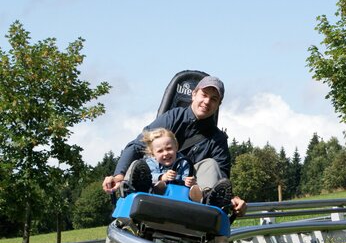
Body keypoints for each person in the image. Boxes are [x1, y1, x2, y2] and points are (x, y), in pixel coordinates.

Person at [103, 75, 247, 217]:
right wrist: (119, 175)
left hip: (190, 189)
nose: (207, 101)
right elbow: (136, 146)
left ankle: (210, 202)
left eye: (214, 99)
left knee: (211, 164)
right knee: (138, 164)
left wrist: (232, 198)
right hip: (156, 179)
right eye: (204, 95)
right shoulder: (173, 117)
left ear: (218, 105)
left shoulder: (217, 139)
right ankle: (135, 194)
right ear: (194, 95)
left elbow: (221, 175)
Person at [141, 127, 202, 202]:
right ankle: (158, 191)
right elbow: (150, 176)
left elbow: (186, 176)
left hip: (179, 192)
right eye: (160, 151)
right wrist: (162, 177)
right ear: (153, 154)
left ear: (176, 147)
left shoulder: (184, 162)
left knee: (191, 186)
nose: (166, 153)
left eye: (169, 148)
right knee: (154, 184)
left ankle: (196, 196)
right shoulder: (151, 163)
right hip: (158, 192)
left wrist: (189, 181)